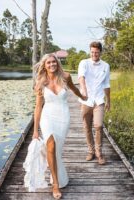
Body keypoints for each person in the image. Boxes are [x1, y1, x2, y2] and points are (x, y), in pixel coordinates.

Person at [32, 53, 86, 199]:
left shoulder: (66, 77)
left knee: (57, 150)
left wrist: (82, 97)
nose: (51, 65)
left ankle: (58, 174)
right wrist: (35, 130)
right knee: (50, 145)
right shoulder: (41, 82)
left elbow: (74, 90)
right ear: (44, 65)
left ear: (58, 63)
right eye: (48, 63)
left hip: (63, 116)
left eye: (53, 62)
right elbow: (38, 107)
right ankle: (55, 184)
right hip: (47, 116)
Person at [78, 41, 110, 165]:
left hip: (99, 100)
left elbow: (107, 84)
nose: (94, 54)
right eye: (92, 52)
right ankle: (90, 151)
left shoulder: (106, 66)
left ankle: (99, 153)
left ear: (100, 52)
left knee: (98, 126)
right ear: (90, 51)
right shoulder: (84, 63)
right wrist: (84, 91)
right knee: (87, 127)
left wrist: (109, 100)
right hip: (86, 100)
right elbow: (81, 77)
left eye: (96, 52)